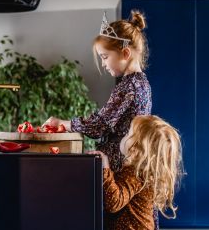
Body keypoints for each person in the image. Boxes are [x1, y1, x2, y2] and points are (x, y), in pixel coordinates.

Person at [43, 9, 152, 172]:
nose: (103, 64)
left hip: (116, 167)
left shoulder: (129, 86)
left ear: (125, 53)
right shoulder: (142, 83)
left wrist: (64, 124)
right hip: (131, 163)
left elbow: (99, 126)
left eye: (105, 57)